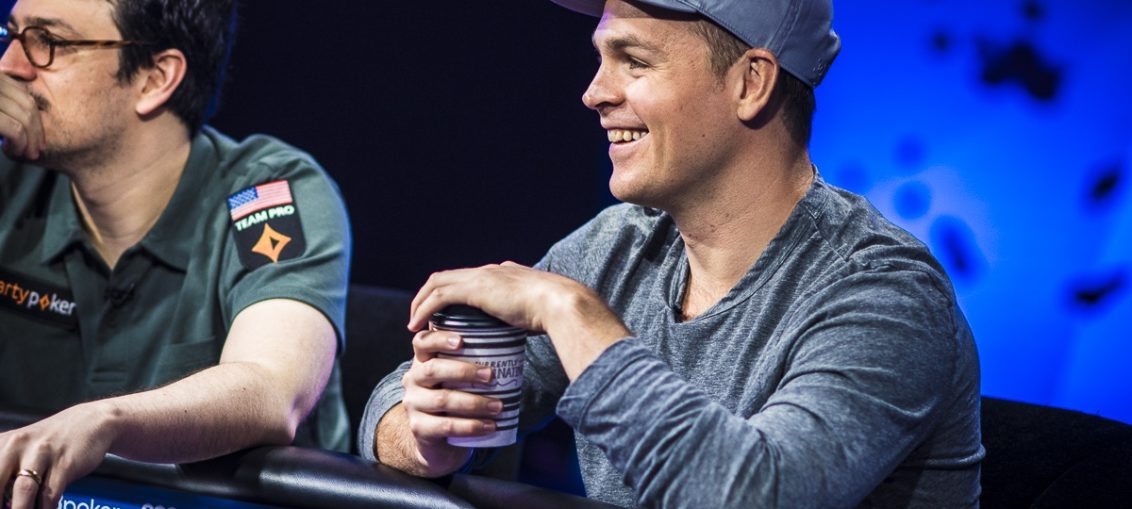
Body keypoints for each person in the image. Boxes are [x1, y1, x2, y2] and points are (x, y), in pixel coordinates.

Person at [361, 0, 983, 507]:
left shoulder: (886, 292)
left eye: (633, 61)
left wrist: (572, 315)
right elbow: (391, 404)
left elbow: (759, 498)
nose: (593, 94)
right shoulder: (617, 245)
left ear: (751, 83)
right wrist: (425, 434)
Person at [0, 0, 351, 507]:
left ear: (155, 79)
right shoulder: (9, 182)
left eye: (48, 43)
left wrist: (102, 422)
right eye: (11, 35)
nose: (10, 66)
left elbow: (273, 390)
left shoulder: (265, 191)